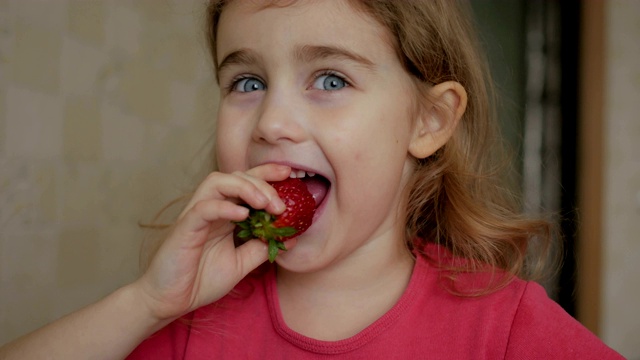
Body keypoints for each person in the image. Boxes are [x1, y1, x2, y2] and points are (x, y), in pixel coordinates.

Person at [0, 0, 624, 359]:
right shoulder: (192, 324)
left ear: (429, 121)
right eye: (247, 82)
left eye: (330, 79)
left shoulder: (504, 328)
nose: (272, 120)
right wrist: (146, 303)